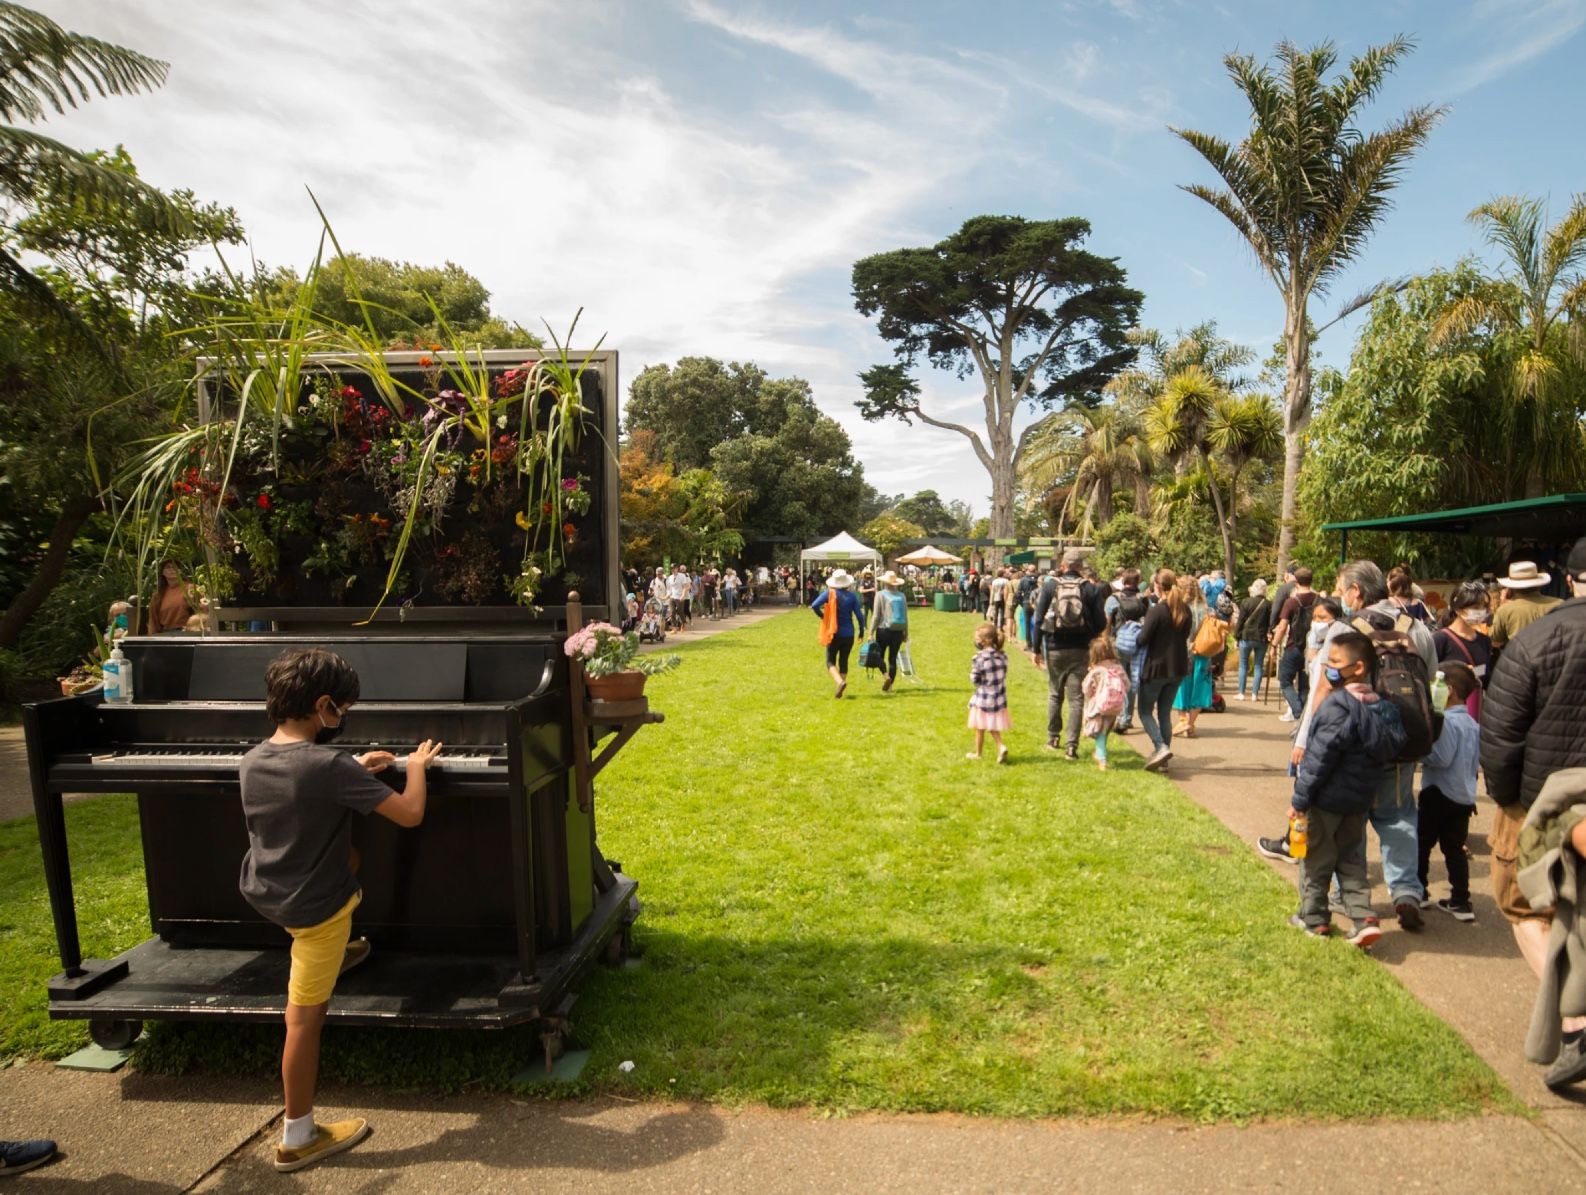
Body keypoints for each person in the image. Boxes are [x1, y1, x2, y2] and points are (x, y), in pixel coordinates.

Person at [239, 648, 442, 1173]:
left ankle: (344, 949)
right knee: (303, 1020)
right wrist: (415, 767)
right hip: (315, 914)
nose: (343, 719)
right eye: (342, 710)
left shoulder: (256, 758)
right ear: (323, 705)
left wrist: (354, 768)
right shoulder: (327, 766)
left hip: (268, 890)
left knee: (348, 852)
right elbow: (411, 814)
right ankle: (299, 1135)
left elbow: (305, 783)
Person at [1261, 560, 1438, 930]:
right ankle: (1406, 891)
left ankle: (1346, 896)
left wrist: (1305, 738)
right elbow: (1431, 678)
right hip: (1401, 738)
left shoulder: (1346, 630)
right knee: (1399, 816)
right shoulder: (1416, 627)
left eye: (1342, 590)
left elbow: (1323, 688)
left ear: (1356, 592)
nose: (1340, 596)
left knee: (1350, 822)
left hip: (1353, 748)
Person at [1481, 535, 1586, 1088]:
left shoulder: (1534, 639)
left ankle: (1577, 1020)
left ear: (1569, 579)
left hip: (1539, 802)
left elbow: (1499, 735)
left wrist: (1506, 800)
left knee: (1524, 906)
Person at [1289, 632, 1406, 947]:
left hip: (1326, 801)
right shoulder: (1384, 708)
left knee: (1316, 859)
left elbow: (1318, 759)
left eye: (1335, 662)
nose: (1328, 666)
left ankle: (1313, 918)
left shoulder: (1336, 707)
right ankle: (1363, 917)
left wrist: (1300, 800)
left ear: (1357, 667)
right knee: (1351, 861)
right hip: (1358, 802)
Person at [1417, 662, 1480, 922]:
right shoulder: (1473, 724)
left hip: (1438, 793)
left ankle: (1418, 891)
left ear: (1449, 690)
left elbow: (1441, 758)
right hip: (1464, 796)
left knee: (1421, 843)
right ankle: (1461, 901)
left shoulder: (1446, 723)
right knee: (1454, 849)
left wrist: (1421, 752)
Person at [1032, 548, 1106, 761]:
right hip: (1081, 648)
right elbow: (1101, 622)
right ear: (1081, 567)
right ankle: (1071, 746)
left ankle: (1053, 737)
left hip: (1054, 646)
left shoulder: (1050, 586)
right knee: (1076, 698)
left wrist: (1036, 649)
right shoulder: (1090, 590)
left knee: (1055, 694)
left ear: (1063, 565)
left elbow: (1038, 619)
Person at [1136, 568, 1191, 773]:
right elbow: (1184, 636)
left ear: (1158, 586)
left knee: (1144, 711)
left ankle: (1160, 747)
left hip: (1156, 667)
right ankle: (1164, 760)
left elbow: (1143, 639)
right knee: (1165, 713)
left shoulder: (1158, 611)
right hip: (1177, 667)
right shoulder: (1184, 610)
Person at [1433, 581, 1492, 719]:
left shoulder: (1485, 640)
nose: (1481, 612)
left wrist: (1472, 672)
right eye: (1476, 607)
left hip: (1475, 713)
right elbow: (1431, 674)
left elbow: (1486, 674)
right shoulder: (1441, 639)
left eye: (1484, 607)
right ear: (1458, 609)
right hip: (1447, 714)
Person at [1270, 566, 1318, 722]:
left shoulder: (1291, 602)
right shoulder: (1319, 600)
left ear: (1296, 581)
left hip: (1293, 646)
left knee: (1285, 681)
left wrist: (1274, 645)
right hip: (1312, 647)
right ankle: (1304, 713)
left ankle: (1299, 712)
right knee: (1304, 685)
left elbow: (1283, 627)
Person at [810, 568, 866, 699]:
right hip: (849, 634)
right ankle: (840, 690)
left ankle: (840, 682)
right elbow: (860, 616)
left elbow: (814, 605)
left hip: (834, 632)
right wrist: (861, 632)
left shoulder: (829, 593)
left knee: (830, 661)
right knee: (844, 660)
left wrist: (823, 616)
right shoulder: (852, 596)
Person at [1105, 568, 1149, 732]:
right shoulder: (1143, 599)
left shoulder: (1113, 599)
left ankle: (1115, 714)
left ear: (1123, 581)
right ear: (1138, 582)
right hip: (1137, 642)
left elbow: (1107, 622)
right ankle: (1126, 717)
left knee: (1117, 679)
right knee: (1131, 680)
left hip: (1119, 642)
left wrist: (1105, 640)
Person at [1490, 561, 1560, 654]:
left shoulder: (1506, 610)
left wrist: (1501, 606)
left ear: (1511, 588)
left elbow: (1495, 641)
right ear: (1539, 584)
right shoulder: (1559, 603)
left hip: (1521, 661)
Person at [1173, 578, 1214, 738]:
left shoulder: (1180, 609)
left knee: (1181, 689)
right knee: (1199, 690)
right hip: (1203, 653)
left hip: (1183, 653)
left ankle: (1183, 721)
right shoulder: (1207, 609)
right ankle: (1190, 724)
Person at [1081, 634, 1128, 772]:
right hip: (1115, 707)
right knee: (1105, 730)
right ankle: (1099, 752)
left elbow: (1086, 688)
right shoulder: (1117, 668)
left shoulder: (1096, 670)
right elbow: (1127, 685)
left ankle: (1102, 759)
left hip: (1099, 706)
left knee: (1099, 732)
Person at [966, 622, 1010, 763]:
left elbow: (975, 678)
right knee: (981, 726)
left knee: (983, 725)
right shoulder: (1002, 656)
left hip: (984, 697)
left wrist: (973, 677)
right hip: (999, 697)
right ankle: (978, 753)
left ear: (984, 641)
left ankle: (1000, 746)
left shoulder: (979, 658)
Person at [870, 570, 910, 692]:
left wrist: (870, 631)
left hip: (883, 630)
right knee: (892, 658)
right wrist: (906, 632)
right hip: (898, 630)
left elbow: (876, 615)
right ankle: (890, 686)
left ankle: (886, 676)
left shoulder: (880, 594)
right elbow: (905, 614)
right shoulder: (901, 596)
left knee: (879, 656)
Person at [1233, 578, 1271, 700]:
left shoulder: (1246, 602)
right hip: (1262, 638)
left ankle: (1241, 693)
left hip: (1246, 637)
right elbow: (1271, 623)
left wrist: (1236, 637)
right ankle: (1255, 694)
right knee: (1258, 666)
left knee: (1243, 665)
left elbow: (1241, 621)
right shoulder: (1268, 604)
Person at [147, 558, 195, 634]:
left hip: (188, 632)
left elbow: (203, 610)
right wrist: (152, 639)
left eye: (175, 567)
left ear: (180, 571)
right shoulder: (158, 594)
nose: (172, 569)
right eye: (168, 567)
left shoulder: (192, 588)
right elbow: (153, 620)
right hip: (165, 634)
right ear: (163, 572)